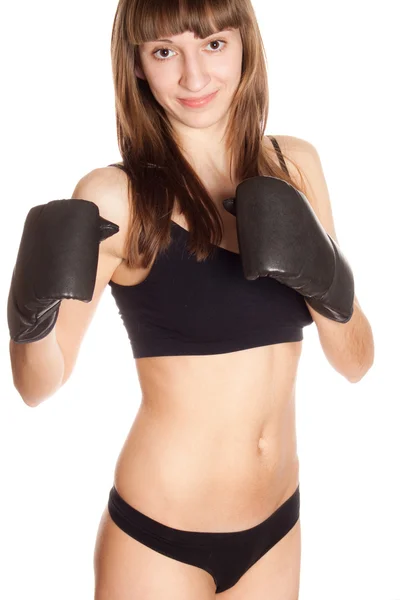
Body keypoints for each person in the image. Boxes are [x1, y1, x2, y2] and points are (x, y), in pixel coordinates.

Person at [8, 0, 374, 598]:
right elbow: (36, 386)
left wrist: (329, 283)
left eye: (212, 45)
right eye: (164, 53)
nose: (194, 77)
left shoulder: (295, 165)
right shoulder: (116, 197)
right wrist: (29, 322)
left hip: (278, 528)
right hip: (160, 537)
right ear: (137, 67)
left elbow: (357, 361)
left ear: (244, 45)